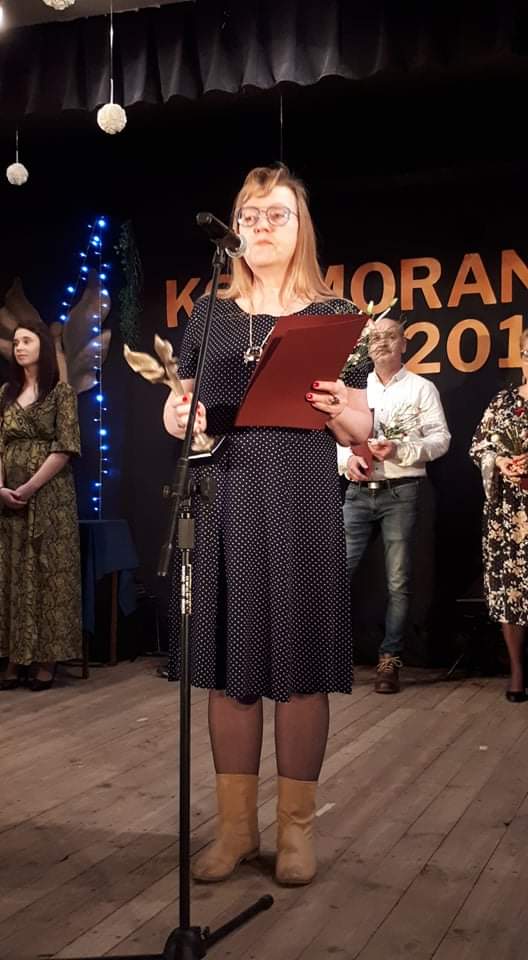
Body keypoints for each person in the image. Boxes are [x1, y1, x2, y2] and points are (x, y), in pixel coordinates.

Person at [163, 163, 372, 886]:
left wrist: (341, 409)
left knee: (301, 668)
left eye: (276, 213)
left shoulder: (334, 314)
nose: (260, 226)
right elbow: (180, 406)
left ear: (301, 226)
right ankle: (235, 832)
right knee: (231, 670)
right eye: (249, 215)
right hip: (223, 495)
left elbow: (360, 428)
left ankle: (296, 832)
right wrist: (177, 415)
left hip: (302, 500)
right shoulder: (210, 313)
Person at [337, 317, 451, 693]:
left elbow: (441, 440)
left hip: (402, 491)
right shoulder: (354, 390)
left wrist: (401, 449)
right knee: (335, 574)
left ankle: (390, 660)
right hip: (357, 492)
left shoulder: (421, 388)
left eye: (390, 336)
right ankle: (328, 654)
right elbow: (337, 437)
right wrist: (346, 462)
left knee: (398, 581)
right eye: (375, 337)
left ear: (404, 344)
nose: (382, 342)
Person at [0, 318, 82, 691]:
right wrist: (2, 488)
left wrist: (30, 487)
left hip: (50, 497)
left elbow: (65, 446)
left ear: (42, 347)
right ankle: (14, 658)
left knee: (48, 574)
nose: (19, 347)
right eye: (16, 342)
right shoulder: (6, 392)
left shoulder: (60, 393)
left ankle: (47, 660)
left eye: (27, 341)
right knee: (14, 574)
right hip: (8, 500)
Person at [469, 328, 528, 702]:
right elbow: (479, 447)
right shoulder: (503, 401)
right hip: (507, 512)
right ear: (522, 357)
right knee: (510, 590)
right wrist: (500, 461)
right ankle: (517, 670)